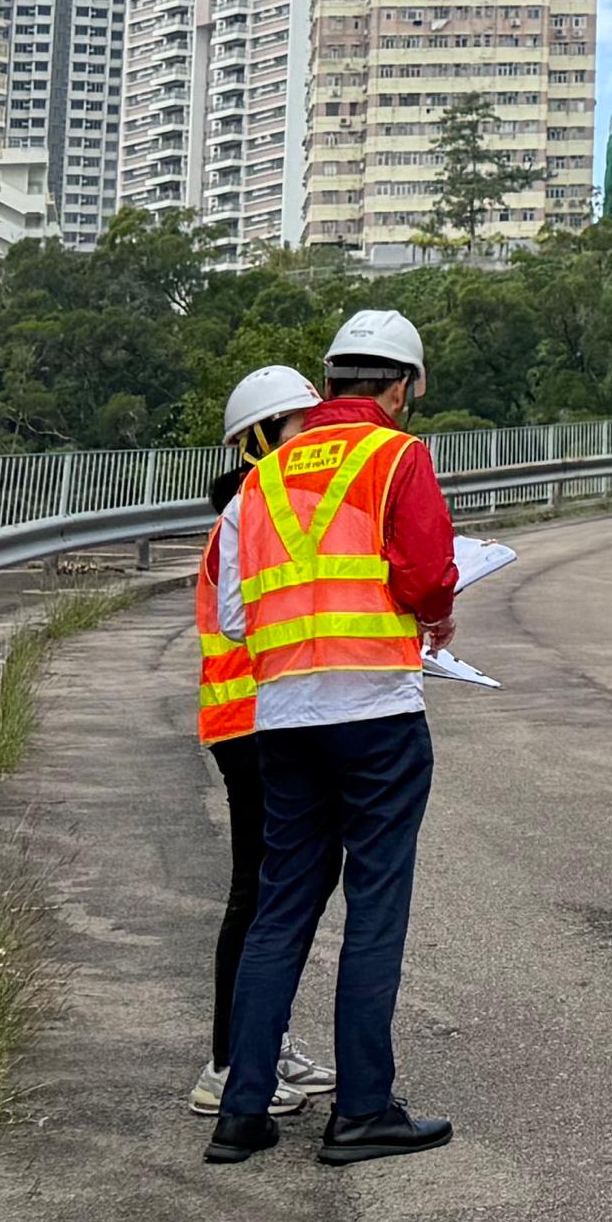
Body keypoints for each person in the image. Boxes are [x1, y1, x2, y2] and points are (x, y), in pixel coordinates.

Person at [205, 308, 460, 1167]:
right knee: (375, 907)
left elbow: (238, 618)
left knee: (282, 907)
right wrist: (435, 617)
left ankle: (242, 1112)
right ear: (405, 386)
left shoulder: (261, 481)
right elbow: (426, 578)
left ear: (332, 376)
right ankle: (362, 1110)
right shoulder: (398, 455)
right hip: (378, 713)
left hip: (281, 718)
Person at [188, 364, 326, 1121]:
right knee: (258, 896)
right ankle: (228, 1063)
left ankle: (262, 1042)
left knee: (277, 893)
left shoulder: (263, 506)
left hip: (269, 718)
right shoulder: (251, 509)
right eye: (300, 428)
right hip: (248, 724)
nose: (311, 441)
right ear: (260, 439)